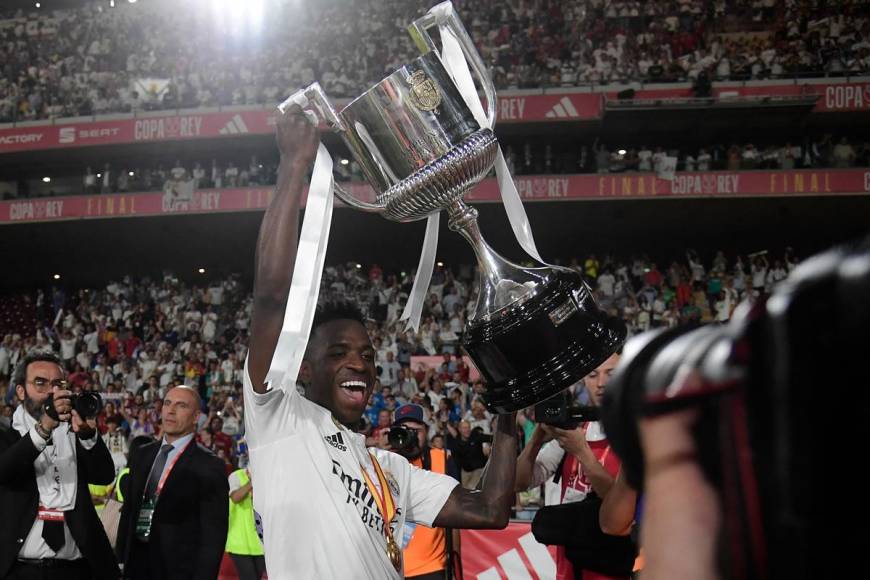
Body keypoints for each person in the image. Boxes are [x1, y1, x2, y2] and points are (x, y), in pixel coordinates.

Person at [243, 107, 518, 579]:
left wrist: (511, 410)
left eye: (367, 356)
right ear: (303, 369)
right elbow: (271, 297)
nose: (359, 363)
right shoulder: (280, 418)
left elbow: (491, 510)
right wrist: (293, 167)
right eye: (338, 353)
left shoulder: (390, 469)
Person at [0, 350, 119, 580]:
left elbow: (104, 475)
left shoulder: (75, 430)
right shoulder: (6, 433)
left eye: (58, 384)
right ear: (21, 391)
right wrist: (44, 427)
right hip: (17, 569)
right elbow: (5, 471)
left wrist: (88, 436)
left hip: (76, 569)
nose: (51, 392)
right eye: (40, 383)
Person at [515, 353, 625, 580]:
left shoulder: (636, 434)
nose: (601, 383)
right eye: (593, 375)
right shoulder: (574, 431)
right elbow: (519, 482)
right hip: (568, 570)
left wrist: (582, 452)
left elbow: (621, 509)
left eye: (610, 374)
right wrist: (536, 438)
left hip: (613, 569)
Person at [116, 386, 228, 580]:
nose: (171, 410)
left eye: (181, 405)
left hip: (178, 570)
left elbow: (213, 536)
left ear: (196, 417)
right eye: (167, 403)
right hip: (136, 564)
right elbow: (129, 511)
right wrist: (119, 560)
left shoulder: (210, 465)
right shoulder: (142, 454)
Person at [389, 404, 461, 580]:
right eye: (404, 431)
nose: (410, 437)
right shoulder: (383, 461)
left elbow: (456, 518)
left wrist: (455, 560)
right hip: (390, 566)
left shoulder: (443, 459)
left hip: (431, 567)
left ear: (427, 431)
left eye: (416, 431)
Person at [226, 466, 266, 580]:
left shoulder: (267, 478)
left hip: (260, 545)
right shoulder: (236, 476)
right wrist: (253, 482)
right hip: (239, 543)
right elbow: (235, 497)